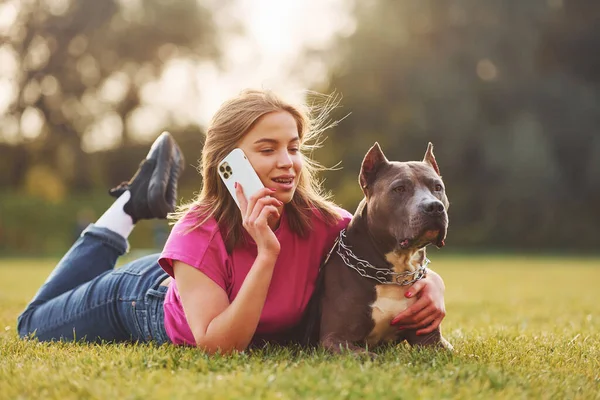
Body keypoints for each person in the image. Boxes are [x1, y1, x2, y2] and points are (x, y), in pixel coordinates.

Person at [17, 89, 447, 353]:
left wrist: (434, 284)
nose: (286, 162)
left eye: (293, 148)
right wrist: (265, 254)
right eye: (267, 149)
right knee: (32, 325)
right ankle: (128, 208)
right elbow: (222, 348)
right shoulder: (198, 231)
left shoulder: (324, 223)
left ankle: (133, 204)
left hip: (189, 275)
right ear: (231, 163)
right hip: (139, 299)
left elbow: (383, 243)